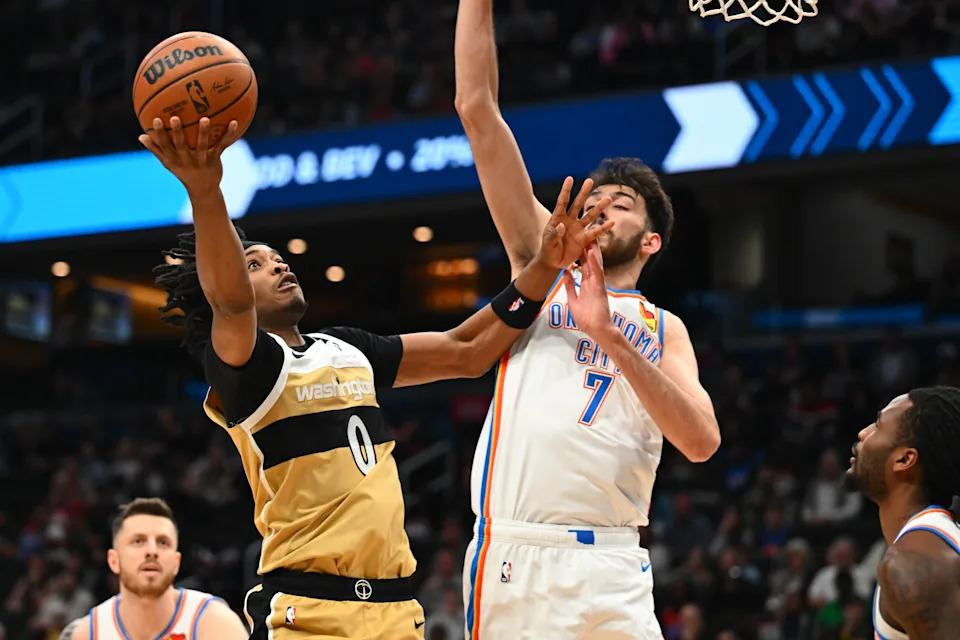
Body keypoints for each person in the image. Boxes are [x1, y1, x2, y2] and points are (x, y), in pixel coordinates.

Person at [140, 115, 615, 639]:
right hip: (309, 613)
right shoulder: (247, 372)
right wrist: (206, 190)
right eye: (255, 263)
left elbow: (467, 350)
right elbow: (228, 300)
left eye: (278, 258)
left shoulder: (346, 348)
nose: (277, 266)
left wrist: (547, 266)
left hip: (396, 612)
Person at [453, 0, 721, 637]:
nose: (600, 209)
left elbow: (703, 441)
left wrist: (608, 335)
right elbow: (478, 111)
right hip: (518, 552)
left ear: (650, 241)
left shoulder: (664, 328)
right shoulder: (540, 268)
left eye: (621, 205)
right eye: (592, 200)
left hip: (614, 563)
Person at [844, 386, 960, 639]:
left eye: (878, 426)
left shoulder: (910, 562)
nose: (863, 433)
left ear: (904, 460)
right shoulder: (931, 543)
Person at [58, 498, 247, 640]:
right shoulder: (88, 633)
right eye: (138, 541)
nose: (151, 551)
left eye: (162, 542)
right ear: (114, 561)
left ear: (176, 562)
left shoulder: (214, 623)